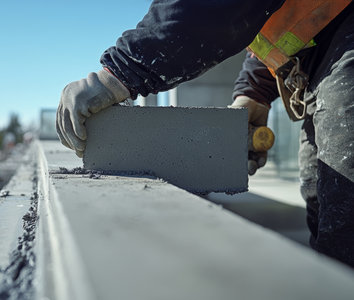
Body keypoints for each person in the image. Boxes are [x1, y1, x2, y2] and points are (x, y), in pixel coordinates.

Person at [56, 0, 354, 267]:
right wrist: (253, 92)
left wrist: (121, 72)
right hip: (323, 51)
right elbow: (273, 26)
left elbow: (210, 7)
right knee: (325, 203)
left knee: (345, 221)